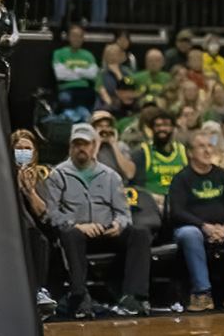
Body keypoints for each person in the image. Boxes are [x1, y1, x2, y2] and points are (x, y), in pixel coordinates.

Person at [44, 124, 151, 318]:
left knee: (140, 233)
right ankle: (79, 296)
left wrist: (119, 224)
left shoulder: (111, 176)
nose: (81, 149)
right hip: (77, 234)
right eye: (76, 144)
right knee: (69, 234)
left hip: (106, 231)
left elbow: (124, 213)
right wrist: (76, 225)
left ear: (94, 146)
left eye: (85, 144)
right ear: (70, 147)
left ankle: (134, 297)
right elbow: (51, 214)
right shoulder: (57, 175)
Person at [169, 132, 224, 312]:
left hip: (222, 228)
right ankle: (202, 293)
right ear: (190, 152)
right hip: (193, 228)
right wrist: (204, 226)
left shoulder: (221, 175)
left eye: (210, 146)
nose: (208, 150)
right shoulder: (181, 178)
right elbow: (177, 211)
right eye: (201, 146)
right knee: (189, 234)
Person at [11, 130, 58, 318]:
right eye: (19, 149)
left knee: (40, 237)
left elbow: (45, 214)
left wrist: (30, 192)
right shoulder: (0, 173)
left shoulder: (40, 177)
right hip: (9, 226)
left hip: (37, 227)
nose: (23, 153)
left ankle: (39, 291)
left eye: (27, 149)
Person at [130, 111, 188, 208]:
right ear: (152, 129)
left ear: (173, 128)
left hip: (179, 202)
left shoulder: (183, 151)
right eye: (158, 125)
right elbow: (137, 185)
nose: (162, 128)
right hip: (152, 203)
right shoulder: (143, 152)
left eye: (166, 125)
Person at [52, 25, 98, 122]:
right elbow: (61, 75)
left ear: (83, 38)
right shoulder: (59, 53)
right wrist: (83, 72)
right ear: (68, 37)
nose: (76, 39)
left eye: (79, 36)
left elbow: (93, 74)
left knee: (88, 105)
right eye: (74, 36)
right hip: (66, 89)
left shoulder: (88, 55)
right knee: (65, 99)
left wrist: (74, 71)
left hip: (84, 90)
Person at [91, 110, 136, 180]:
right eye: (100, 126)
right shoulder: (87, 147)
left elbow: (130, 174)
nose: (104, 130)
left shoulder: (121, 146)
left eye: (107, 126)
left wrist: (114, 145)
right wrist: (97, 145)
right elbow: (87, 172)